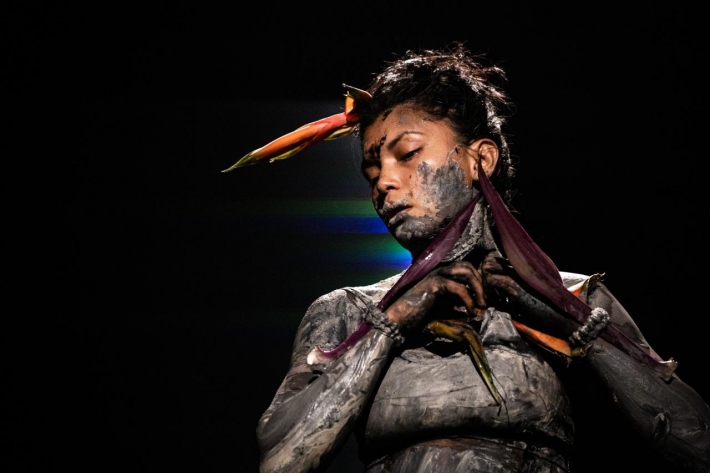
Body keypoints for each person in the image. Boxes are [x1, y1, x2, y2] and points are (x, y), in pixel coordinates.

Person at [225, 43, 710, 472]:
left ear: (480, 159)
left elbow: (698, 444)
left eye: (407, 154)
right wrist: (395, 318)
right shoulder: (349, 311)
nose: (383, 182)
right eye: (372, 170)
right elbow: (281, 458)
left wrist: (572, 321)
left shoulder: (578, 297)